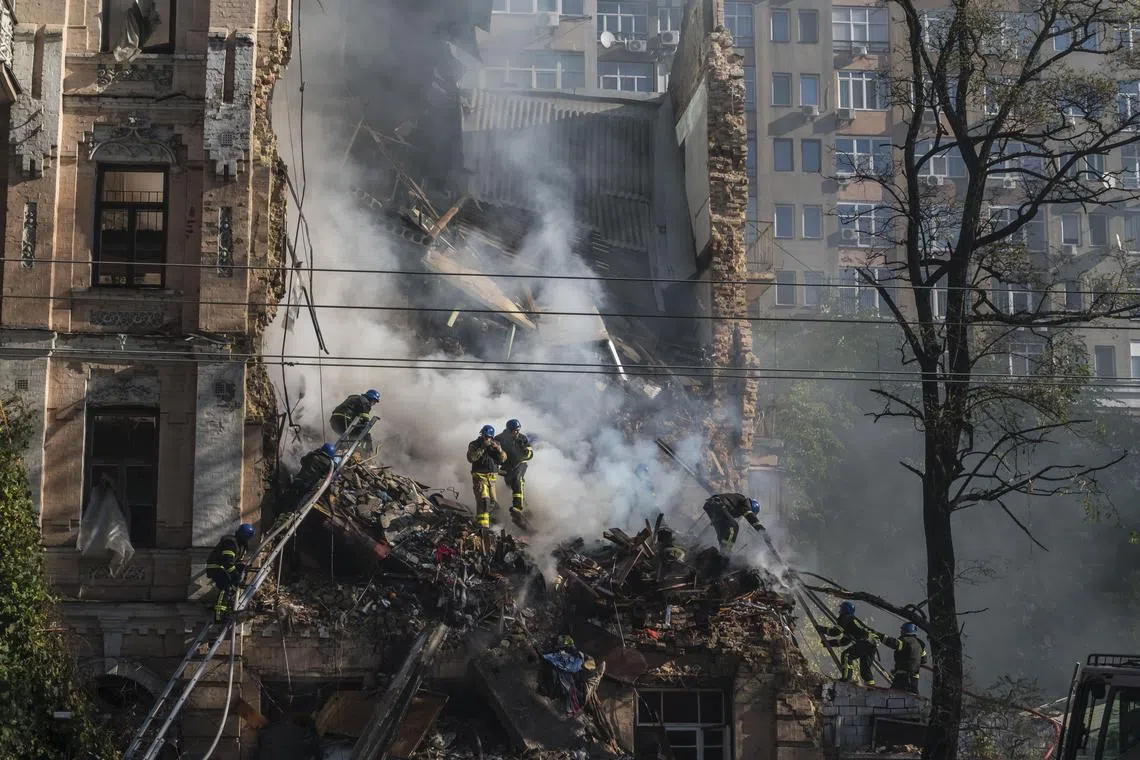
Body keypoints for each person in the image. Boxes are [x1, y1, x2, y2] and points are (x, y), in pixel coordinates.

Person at [816, 601, 882, 686]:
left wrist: (822, 629)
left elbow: (835, 632)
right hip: (872, 643)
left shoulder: (845, 618)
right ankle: (871, 685)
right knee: (865, 668)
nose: (839, 611)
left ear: (845, 609)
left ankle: (846, 679)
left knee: (846, 655)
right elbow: (844, 641)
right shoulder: (851, 623)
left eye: (841, 609)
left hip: (866, 641)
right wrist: (829, 643)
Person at [206, 524, 256, 623]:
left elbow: (234, 562)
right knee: (226, 585)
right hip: (216, 567)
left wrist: (241, 571)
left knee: (236, 576)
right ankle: (219, 613)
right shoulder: (231, 543)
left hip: (223, 567)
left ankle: (228, 605)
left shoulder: (239, 544)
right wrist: (236, 576)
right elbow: (227, 562)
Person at [494, 418, 534, 527]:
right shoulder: (499, 439)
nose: (517, 432)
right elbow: (493, 454)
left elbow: (530, 454)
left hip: (520, 463)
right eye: (514, 430)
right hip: (507, 467)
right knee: (512, 486)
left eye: (518, 430)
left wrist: (526, 452)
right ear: (508, 430)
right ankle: (526, 509)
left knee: (517, 480)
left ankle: (518, 508)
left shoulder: (522, 438)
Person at [466, 425, 506, 528]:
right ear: (482, 435)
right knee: (484, 501)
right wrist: (483, 447)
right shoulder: (474, 444)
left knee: (494, 505)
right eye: (486, 436)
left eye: (489, 437)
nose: (488, 439)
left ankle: (495, 527)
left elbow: (502, 460)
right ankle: (483, 526)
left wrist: (499, 449)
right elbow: (471, 458)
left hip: (491, 479)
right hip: (480, 477)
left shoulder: (495, 444)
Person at [279, 443, 337, 513]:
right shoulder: (329, 465)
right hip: (308, 487)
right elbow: (334, 470)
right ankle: (295, 512)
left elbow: (302, 461)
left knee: (289, 493)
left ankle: (281, 504)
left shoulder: (312, 455)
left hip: (298, 481)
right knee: (303, 500)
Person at [701, 493, 763, 557]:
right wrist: (762, 530)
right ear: (752, 508)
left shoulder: (739, 504)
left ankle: (723, 552)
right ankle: (725, 552)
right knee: (734, 527)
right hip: (717, 504)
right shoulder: (746, 504)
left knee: (722, 531)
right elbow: (751, 517)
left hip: (711, 505)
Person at [329, 390, 381, 455]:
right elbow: (365, 418)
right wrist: (368, 439)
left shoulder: (354, 398)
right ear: (371, 398)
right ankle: (365, 452)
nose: (374, 403)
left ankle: (339, 450)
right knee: (361, 433)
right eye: (374, 401)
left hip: (333, 421)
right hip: (343, 420)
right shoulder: (365, 402)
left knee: (347, 437)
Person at [882, 622, 927, 693]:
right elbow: (924, 659)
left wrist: (881, 637)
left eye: (902, 630)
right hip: (914, 680)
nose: (901, 632)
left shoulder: (905, 641)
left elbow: (894, 644)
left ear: (906, 631)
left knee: (893, 696)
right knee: (912, 697)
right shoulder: (920, 644)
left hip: (902, 678)